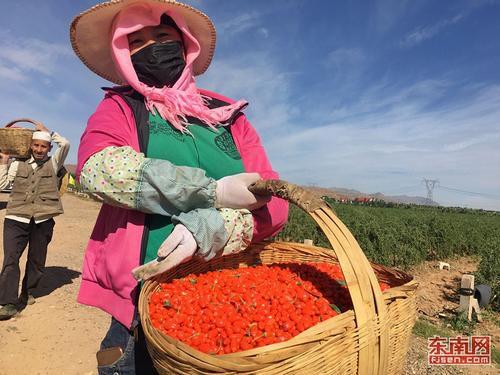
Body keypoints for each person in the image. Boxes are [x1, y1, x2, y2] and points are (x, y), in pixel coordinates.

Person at [70, 0, 289, 373]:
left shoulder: (227, 115)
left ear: (184, 43)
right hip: (141, 297)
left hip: (226, 288)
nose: (151, 47)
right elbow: (99, 169)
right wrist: (212, 193)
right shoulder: (122, 106)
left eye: (161, 35)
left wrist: (214, 227)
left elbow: (276, 202)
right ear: (122, 53)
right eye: (135, 41)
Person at [0, 125, 70, 320]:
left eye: (44, 146)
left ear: (49, 148)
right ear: (30, 145)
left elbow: (65, 144)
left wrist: (48, 131)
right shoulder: (17, 163)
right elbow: (2, 185)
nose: (39, 149)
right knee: (10, 260)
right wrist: (4, 161)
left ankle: (27, 291)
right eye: (36, 145)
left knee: (37, 260)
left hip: (43, 219)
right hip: (16, 218)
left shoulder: (54, 163)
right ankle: (7, 302)